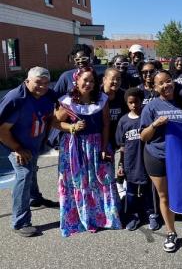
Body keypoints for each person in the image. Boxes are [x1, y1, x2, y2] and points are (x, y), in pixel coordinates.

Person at [54, 66, 122, 237]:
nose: (89, 84)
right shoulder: (67, 101)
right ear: (76, 80)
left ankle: (102, 218)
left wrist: (104, 147)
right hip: (74, 146)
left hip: (96, 144)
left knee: (100, 180)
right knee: (78, 182)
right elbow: (54, 123)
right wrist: (71, 126)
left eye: (92, 81)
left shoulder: (102, 99)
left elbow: (106, 124)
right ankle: (80, 219)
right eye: (85, 80)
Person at [140, 70, 182, 252]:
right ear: (155, 87)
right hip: (157, 156)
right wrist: (154, 125)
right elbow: (143, 136)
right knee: (164, 196)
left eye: (168, 81)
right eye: (161, 83)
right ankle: (171, 232)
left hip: (181, 158)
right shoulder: (150, 107)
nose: (166, 85)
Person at [0, 67, 58, 237]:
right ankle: (20, 222)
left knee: (32, 167)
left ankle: (34, 197)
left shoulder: (47, 94)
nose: (42, 86)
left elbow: (60, 99)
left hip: (33, 142)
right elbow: (1, 130)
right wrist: (17, 148)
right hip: (14, 144)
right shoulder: (16, 99)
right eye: (38, 83)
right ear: (27, 81)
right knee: (24, 174)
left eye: (46, 83)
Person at [116, 88, 154, 231]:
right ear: (126, 103)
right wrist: (120, 165)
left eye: (136, 102)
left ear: (141, 101)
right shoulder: (123, 121)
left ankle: (151, 213)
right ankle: (134, 215)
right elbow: (122, 147)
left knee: (148, 190)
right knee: (131, 191)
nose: (134, 105)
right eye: (130, 103)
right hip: (130, 162)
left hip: (146, 159)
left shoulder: (147, 117)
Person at [102, 68, 129, 198]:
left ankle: (117, 189)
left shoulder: (123, 95)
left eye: (118, 79)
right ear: (104, 79)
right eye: (113, 78)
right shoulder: (97, 95)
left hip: (118, 137)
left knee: (119, 166)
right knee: (105, 171)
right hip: (101, 139)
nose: (116, 82)